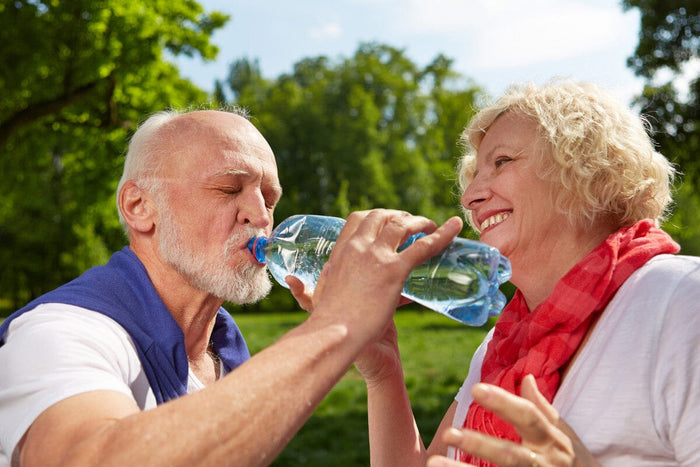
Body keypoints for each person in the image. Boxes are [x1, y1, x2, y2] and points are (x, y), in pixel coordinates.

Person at [0, 108, 463, 466]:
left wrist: (379, 368)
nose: (260, 216)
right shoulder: (59, 334)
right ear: (140, 206)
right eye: (228, 190)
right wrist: (336, 324)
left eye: (270, 197)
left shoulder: (223, 349)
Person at [350, 80, 700, 466]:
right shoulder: (501, 348)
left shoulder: (681, 300)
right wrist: (383, 371)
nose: (470, 197)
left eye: (501, 162)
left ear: (590, 170)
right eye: (473, 176)